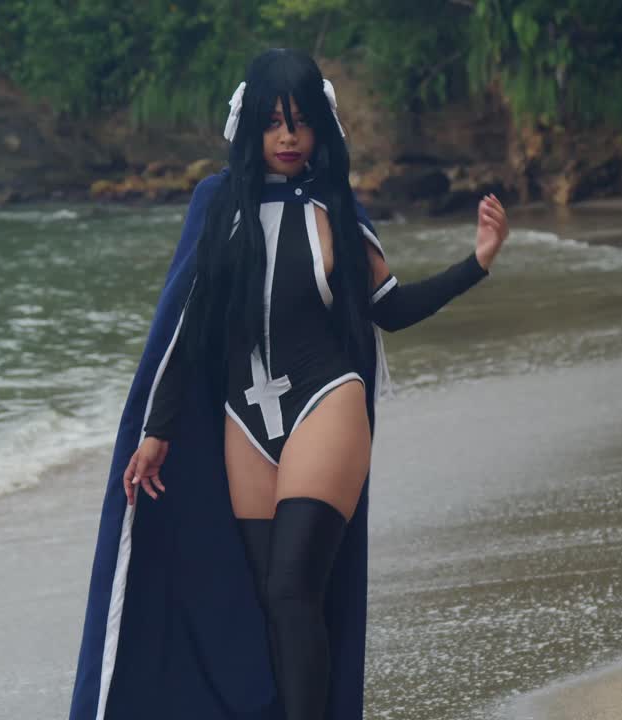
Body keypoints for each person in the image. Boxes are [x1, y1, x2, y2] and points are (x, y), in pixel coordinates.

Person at [68, 48, 509, 720]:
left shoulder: (336, 205)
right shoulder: (218, 207)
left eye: (300, 123)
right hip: (245, 420)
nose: (288, 137)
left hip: (326, 403)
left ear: (320, 129)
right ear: (251, 129)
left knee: (293, 589)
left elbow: (390, 307)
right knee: (269, 601)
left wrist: (476, 264)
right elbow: (189, 328)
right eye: (274, 123)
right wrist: (157, 431)